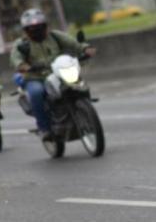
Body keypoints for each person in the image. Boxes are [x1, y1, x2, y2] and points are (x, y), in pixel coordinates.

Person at [10, 8, 96, 139]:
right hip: (36, 78)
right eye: (32, 29)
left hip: (58, 73)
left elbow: (73, 43)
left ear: (45, 26)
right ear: (26, 30)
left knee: (76, 80)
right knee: (36, 93)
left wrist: (85, 48)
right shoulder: (21, 44)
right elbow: (16, 58)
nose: (37, 30)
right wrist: (23, 66)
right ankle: (44, 128)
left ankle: (85, 105)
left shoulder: (55, 36)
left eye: (40, 27)